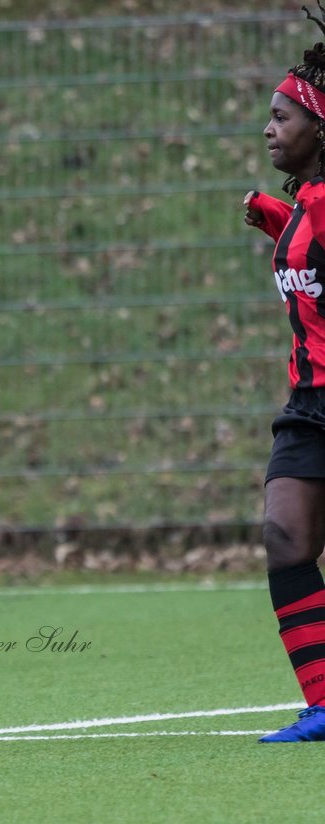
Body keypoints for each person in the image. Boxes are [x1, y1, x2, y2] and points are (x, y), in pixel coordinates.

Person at [242, 3, 325, 743]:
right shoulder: (306, 204)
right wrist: (276, 216)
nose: (269, 128)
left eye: (281, 117)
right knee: (286, 537)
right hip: (309, 405)